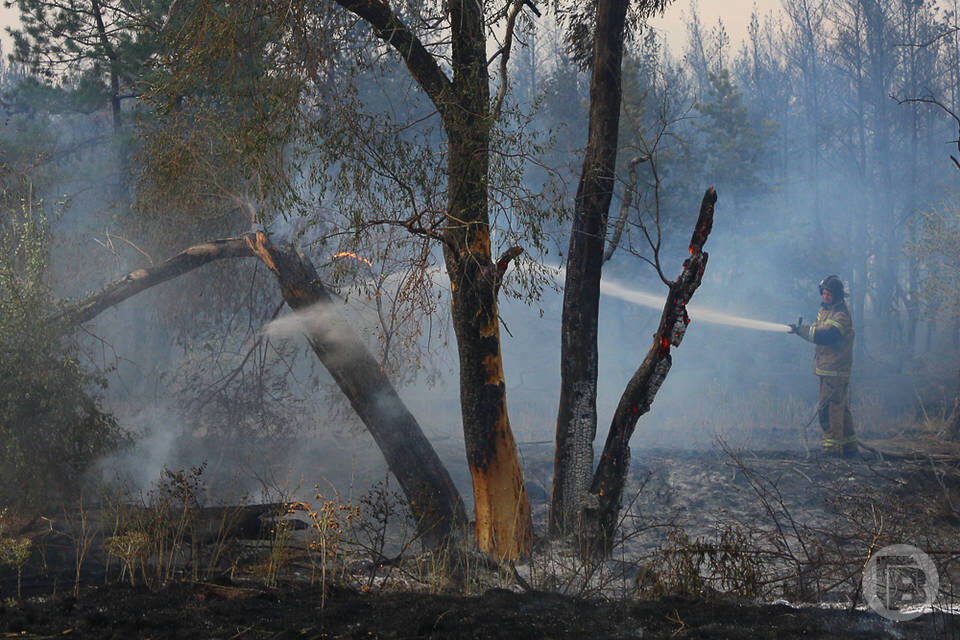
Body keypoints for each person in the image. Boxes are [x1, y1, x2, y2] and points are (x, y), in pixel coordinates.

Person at [788, 275, 857, 457]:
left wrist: (800, 330)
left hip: (835, 369)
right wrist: (800, 330)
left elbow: (827, 335)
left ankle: (832, 447)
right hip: (827, 367)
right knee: (840, 406)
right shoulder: (826, 310)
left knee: (829, 407)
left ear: (837, 295)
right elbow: (818, 330)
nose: (826, 296)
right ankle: (849, 446)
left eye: (829, 294)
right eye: (824, 293)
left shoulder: (840, 314)